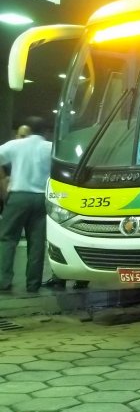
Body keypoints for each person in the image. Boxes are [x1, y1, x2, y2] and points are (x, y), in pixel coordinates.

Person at [0, 117, 51, 292]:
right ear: (45, 131)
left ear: (28, 129)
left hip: (18, 196)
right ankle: (33, 284)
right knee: (37, 243)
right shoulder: (50, 148)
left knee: (7, 239)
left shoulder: (16, 145)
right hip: (41, 198)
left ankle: (4, 281)